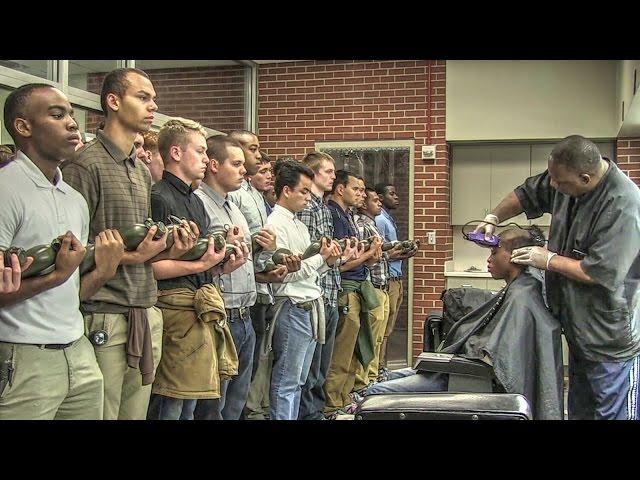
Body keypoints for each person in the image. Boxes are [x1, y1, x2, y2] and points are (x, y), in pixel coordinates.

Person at [474, 134, 640, 420]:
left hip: (608, 337)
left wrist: (548, 259)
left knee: (610, 413)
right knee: (580, 411)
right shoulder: (564, 179)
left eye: (559, 182)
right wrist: (493, 217)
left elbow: (598, 272)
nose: (552, 186)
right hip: (578, 331)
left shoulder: (623, 206)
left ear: (585, 178)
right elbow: (527, 193)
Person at [0, 84, 119, 419]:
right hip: (24, 356)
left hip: (78, 349)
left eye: (70, 113)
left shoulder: (74, 199)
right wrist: (56, 275)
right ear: (23, 127)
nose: (72, 123)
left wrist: (103, 272)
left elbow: (72, 293)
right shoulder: (6, 189)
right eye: (56, 114)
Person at [362, 226, 564, 420]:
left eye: (494, 252)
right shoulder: (523, 286)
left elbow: (499, 362)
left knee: (376, 390)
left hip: (470, 378)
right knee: (390, 376)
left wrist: (461, 352)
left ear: (516, 256)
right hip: (462, 369)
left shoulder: (522, 297)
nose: (489, 258)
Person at [61, 68, 169, 420]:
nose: (153, 105)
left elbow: (139, 243)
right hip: (104, 312)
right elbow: (70, 251)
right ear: (113, 101)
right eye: (143, 97)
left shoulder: (140, 170)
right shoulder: (84, 164)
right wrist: (133, 255)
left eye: (152, 98)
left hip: (144, 307)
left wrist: (166, 247)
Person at [145, 118, 229, 420]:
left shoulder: (195, 201)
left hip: (199, 304)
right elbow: (151, 267)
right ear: (176, 153)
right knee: (171, 402)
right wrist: (203, 263)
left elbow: (197, 263)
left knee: (192, 405)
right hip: (174, 309)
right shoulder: (158, 198)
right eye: (201, 151)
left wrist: (220, 262)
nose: (207, 159)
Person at [265, 160, 342, 419]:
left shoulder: (298, 223)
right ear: (286, 190)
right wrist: (321, 258)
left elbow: (308, 273)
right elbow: (288, 274)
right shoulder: (276, 223)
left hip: (310, 304)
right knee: (287, 381)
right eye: (303, 192)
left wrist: (327, 261)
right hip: (292, 308)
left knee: (298, 381)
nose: (308, 198)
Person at [195, 135, 259, 420]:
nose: (243, 170)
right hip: (221, 315)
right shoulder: (199, 204)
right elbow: (197, 260)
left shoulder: (234, 206)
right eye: (236, 164)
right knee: (213, 407)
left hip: (246, 314)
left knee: (236, 402)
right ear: (213, 165)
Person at [296, 152, 357, 420]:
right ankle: (309, 414)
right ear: (312, 174)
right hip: (314, 291)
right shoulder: (307, 208)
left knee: (322, 365)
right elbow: (306, 252)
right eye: (328, 172)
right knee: (310, 367)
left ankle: (318, 411)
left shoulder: (322, 207)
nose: (334, 176)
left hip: (330, 290)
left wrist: (341, 256)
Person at [323, 169, 382, 417]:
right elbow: (341, 263)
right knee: (341, 354)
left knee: (354, 352)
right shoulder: (334, 216)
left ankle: (345, 397)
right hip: (345, 289)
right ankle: (332, 405)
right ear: (340, 189)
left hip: (358, 287)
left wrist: (368, 258)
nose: (360, 194)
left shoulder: (346, 216)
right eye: (356, 189)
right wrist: (368, 255)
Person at [374, 182, 419, 376]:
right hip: (388, 277)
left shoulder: (387, 218)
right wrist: (400, 252)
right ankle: (378, 367)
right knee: (383, 328)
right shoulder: (380, 220)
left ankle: (381, 366)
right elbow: (382, 252)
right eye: (391, 194)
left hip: (397, 276)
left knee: (389, 326)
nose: (396, 197)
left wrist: (407, 250)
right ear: (381, 198)